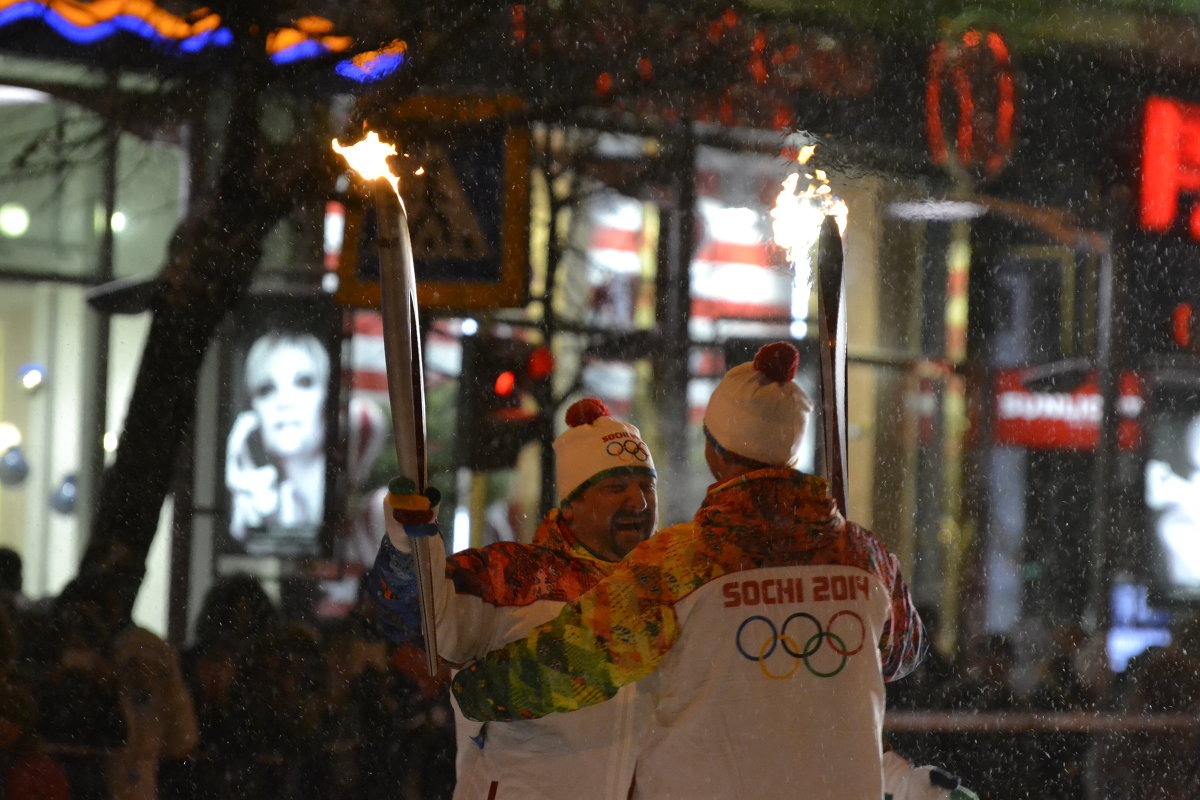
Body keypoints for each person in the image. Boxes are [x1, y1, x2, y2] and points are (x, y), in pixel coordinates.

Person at [452, 342, 926, 800]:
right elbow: (903, 653)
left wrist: (478, 688)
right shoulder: (866, 557)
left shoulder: (679, 564)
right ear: (794, 455)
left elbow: (574, 664)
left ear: (713, 452)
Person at [369, 397, 658, 800]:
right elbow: (419, 622)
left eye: (647, 485)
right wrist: (408, 548)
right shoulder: (510, 577)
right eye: (616, 487)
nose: (639, 502)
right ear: (571, 506)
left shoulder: (666, 593)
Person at [226, 331, 330, 545]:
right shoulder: (255, 500)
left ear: (326, 394)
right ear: (253, 409)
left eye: (303, 382)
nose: (284, 401)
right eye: (266, 389)